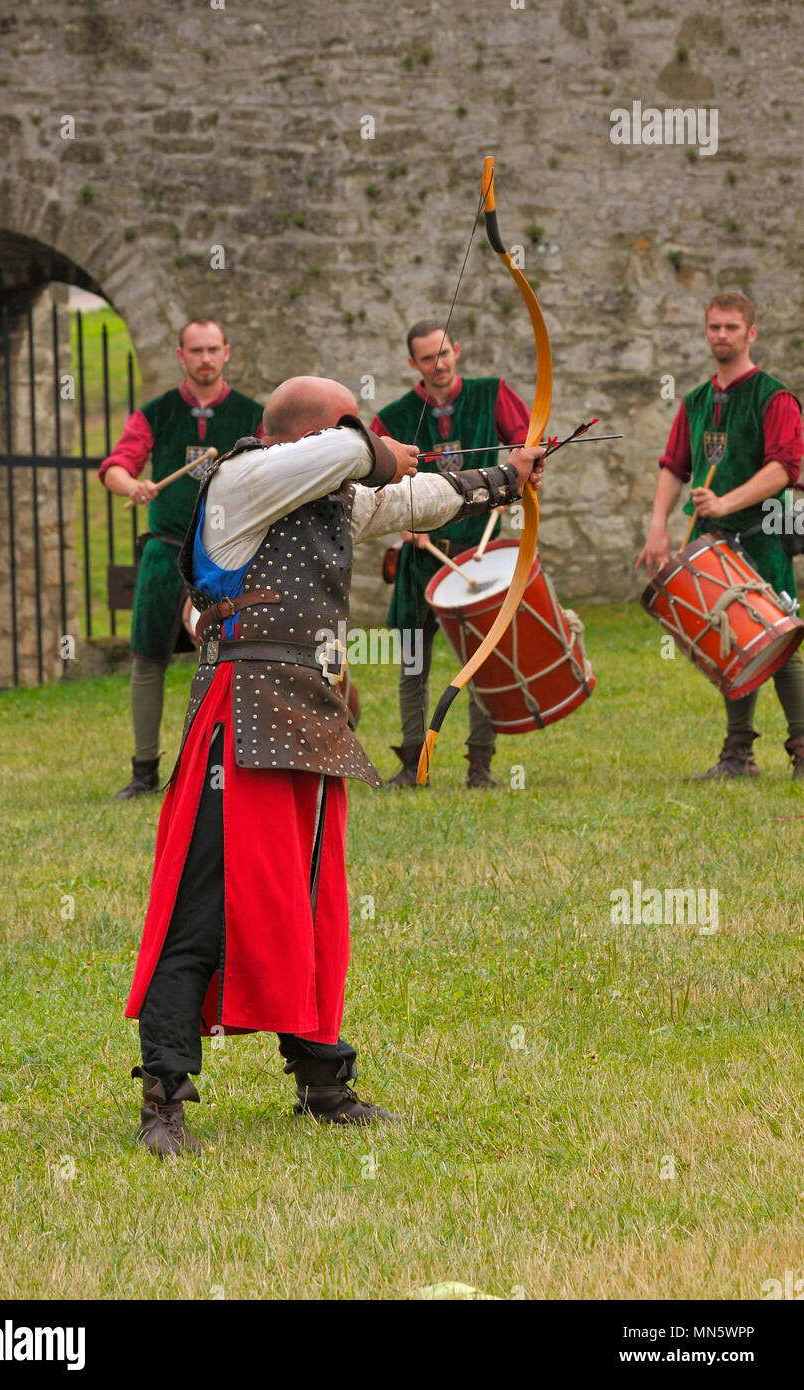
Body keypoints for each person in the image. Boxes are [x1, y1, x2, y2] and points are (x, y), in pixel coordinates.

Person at [123, 375, 545, 1155]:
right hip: (241, 712)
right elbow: (355, 455)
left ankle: (321, 1082)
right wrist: (374, 447)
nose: (365, 441)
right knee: (204, 906)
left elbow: (415, 500)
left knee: (310, 904)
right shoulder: (242, 479)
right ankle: (164, 1098)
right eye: (352, 427)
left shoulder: (329, 495)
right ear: (316, 434)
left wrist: (506, 477)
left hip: (306, 714)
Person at [636, 290, 804, 780]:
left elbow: (784, 469)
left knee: (780, 638)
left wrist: (727, 502)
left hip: (764, 536)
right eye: (714, 327)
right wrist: (657, 526)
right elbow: (674, 468)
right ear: (706, 331)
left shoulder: (773, 396)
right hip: (714, 543)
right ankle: (737, 756)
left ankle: (802, 750)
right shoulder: (695, 401)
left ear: (751, 333)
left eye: (731, 327)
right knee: (730, 642)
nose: (722, 335)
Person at [99, 318, 263, 798]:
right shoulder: (156, 412)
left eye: (213, 349)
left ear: (227, 352)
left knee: (230, 658)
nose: (205, 358)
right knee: (147, 658)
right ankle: (145, 771)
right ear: (181, 356)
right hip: (165, 551)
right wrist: (133, 485)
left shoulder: (254, 414)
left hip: (228, 556)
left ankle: (230, 766)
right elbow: (115, 467)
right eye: (196, 350)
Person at [371, 320, 532, 788]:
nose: (438, 364)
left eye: (444, 353)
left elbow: (527, 444)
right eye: (427, 358)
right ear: (413, 364)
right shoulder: (394, 417)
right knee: (414, 665)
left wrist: (529, 461)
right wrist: (401, 523)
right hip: (423, 557)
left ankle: (480, 766)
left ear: (456, 350)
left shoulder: (491, 394)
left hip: (475, 553)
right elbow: (371, 478)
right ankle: (411, 766)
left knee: (480, 661)